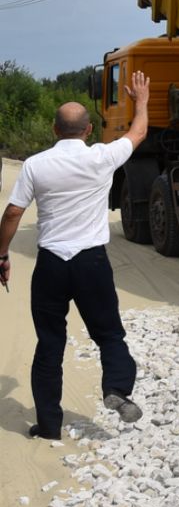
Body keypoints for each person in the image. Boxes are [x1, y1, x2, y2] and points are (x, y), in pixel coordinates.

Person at [0, 70, 150, 440]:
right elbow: (138, 133)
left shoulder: (35, 164)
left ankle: (50, 427)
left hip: (51, 263)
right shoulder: (102, 156)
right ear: (88, 130)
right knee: (109, 334)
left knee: (50, 344)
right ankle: (116, 388)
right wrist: (141, 101)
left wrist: (2, 254)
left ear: (55, 130)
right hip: (91, 263)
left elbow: (14, 212)